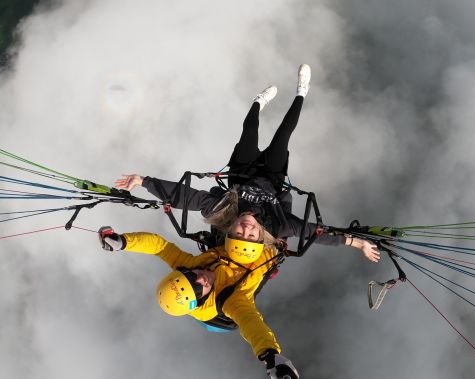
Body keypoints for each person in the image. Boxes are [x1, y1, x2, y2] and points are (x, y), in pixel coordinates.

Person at [115, 64, 381, 263]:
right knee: (282, 138)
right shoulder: (279, 226)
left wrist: (143, 182)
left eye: (239, 233)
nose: (247, 228)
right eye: (252, 236)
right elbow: (313, 234)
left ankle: (258, 101)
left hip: (241, 175)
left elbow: (185, 197)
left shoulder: (222, 212)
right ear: (260, 236)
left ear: (230, 230)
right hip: (273, 179)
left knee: (249, 129)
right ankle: (302, 91)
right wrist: (357, 244)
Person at [98, 226, 300, 378]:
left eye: (191, 276)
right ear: (200, 299)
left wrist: (122, 241)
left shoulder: (191, 267)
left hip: (233, 250)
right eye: (197, 288)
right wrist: (270, 356)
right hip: (265, 250)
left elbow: (159, 247)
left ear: (183, 271)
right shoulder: (228, 300)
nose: (200, 278)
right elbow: (250, 323)